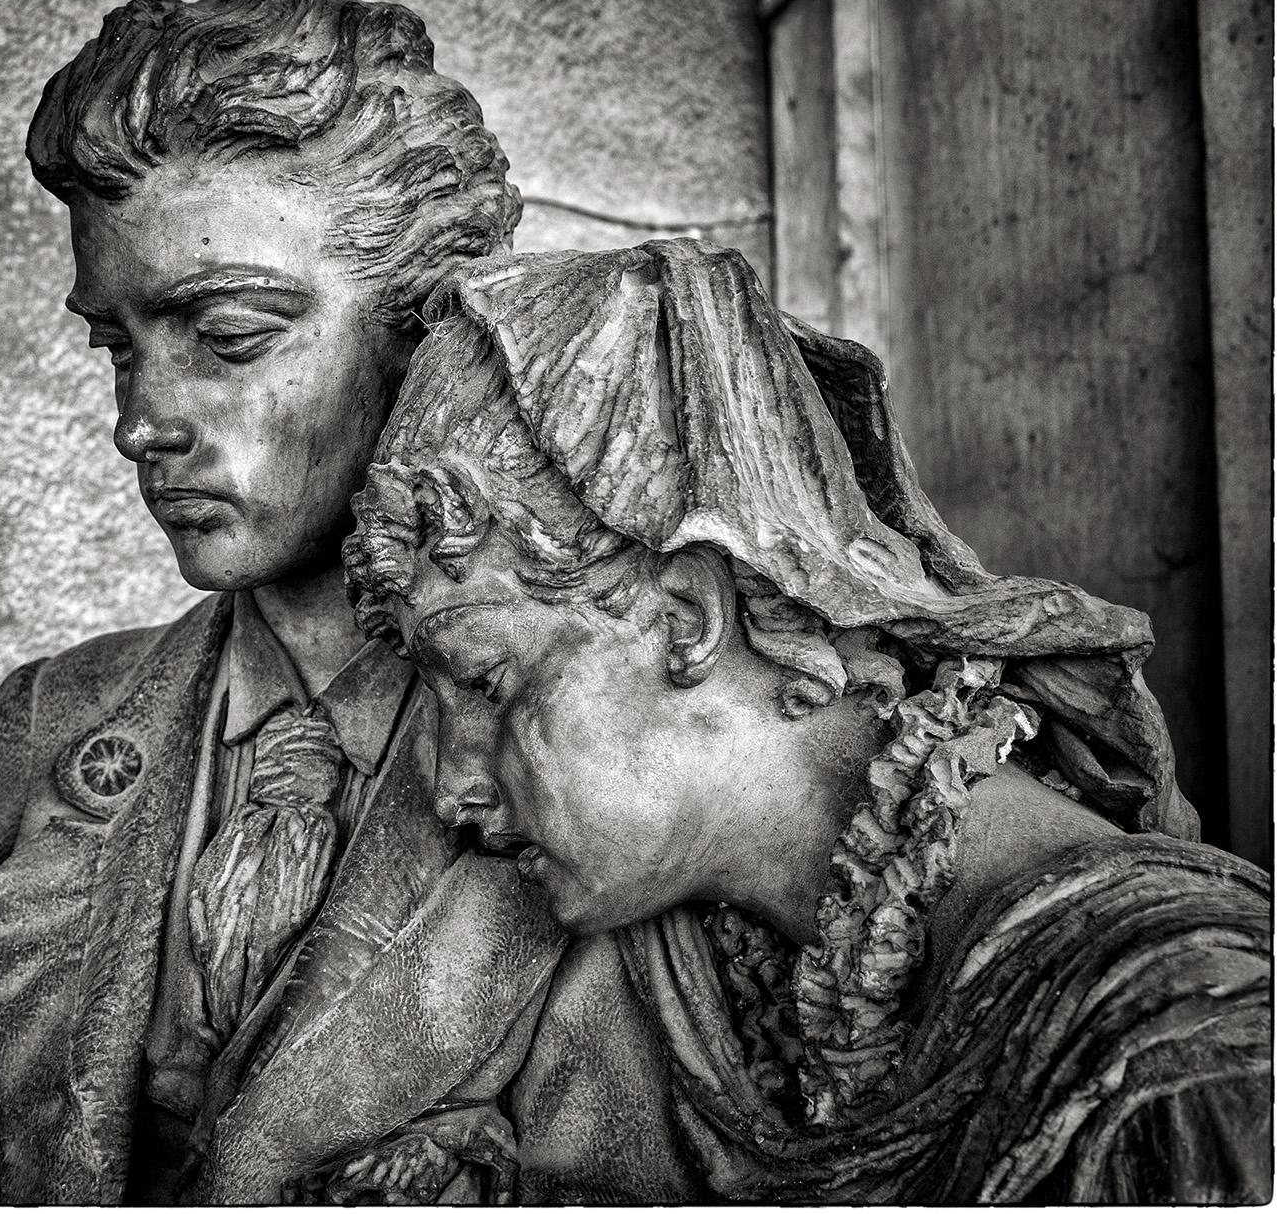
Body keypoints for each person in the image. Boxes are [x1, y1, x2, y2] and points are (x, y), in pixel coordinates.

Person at [0, 0, 707, 1205]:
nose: (144, 420)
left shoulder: (603, 748)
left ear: (428, 327)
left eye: (230, 336)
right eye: (116, 347)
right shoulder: (42, 738)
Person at [344, 237, 1272, 1202]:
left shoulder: (1196, 1053)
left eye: (487, 684)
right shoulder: (711, 988)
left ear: (688, 621)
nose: (453, 783)